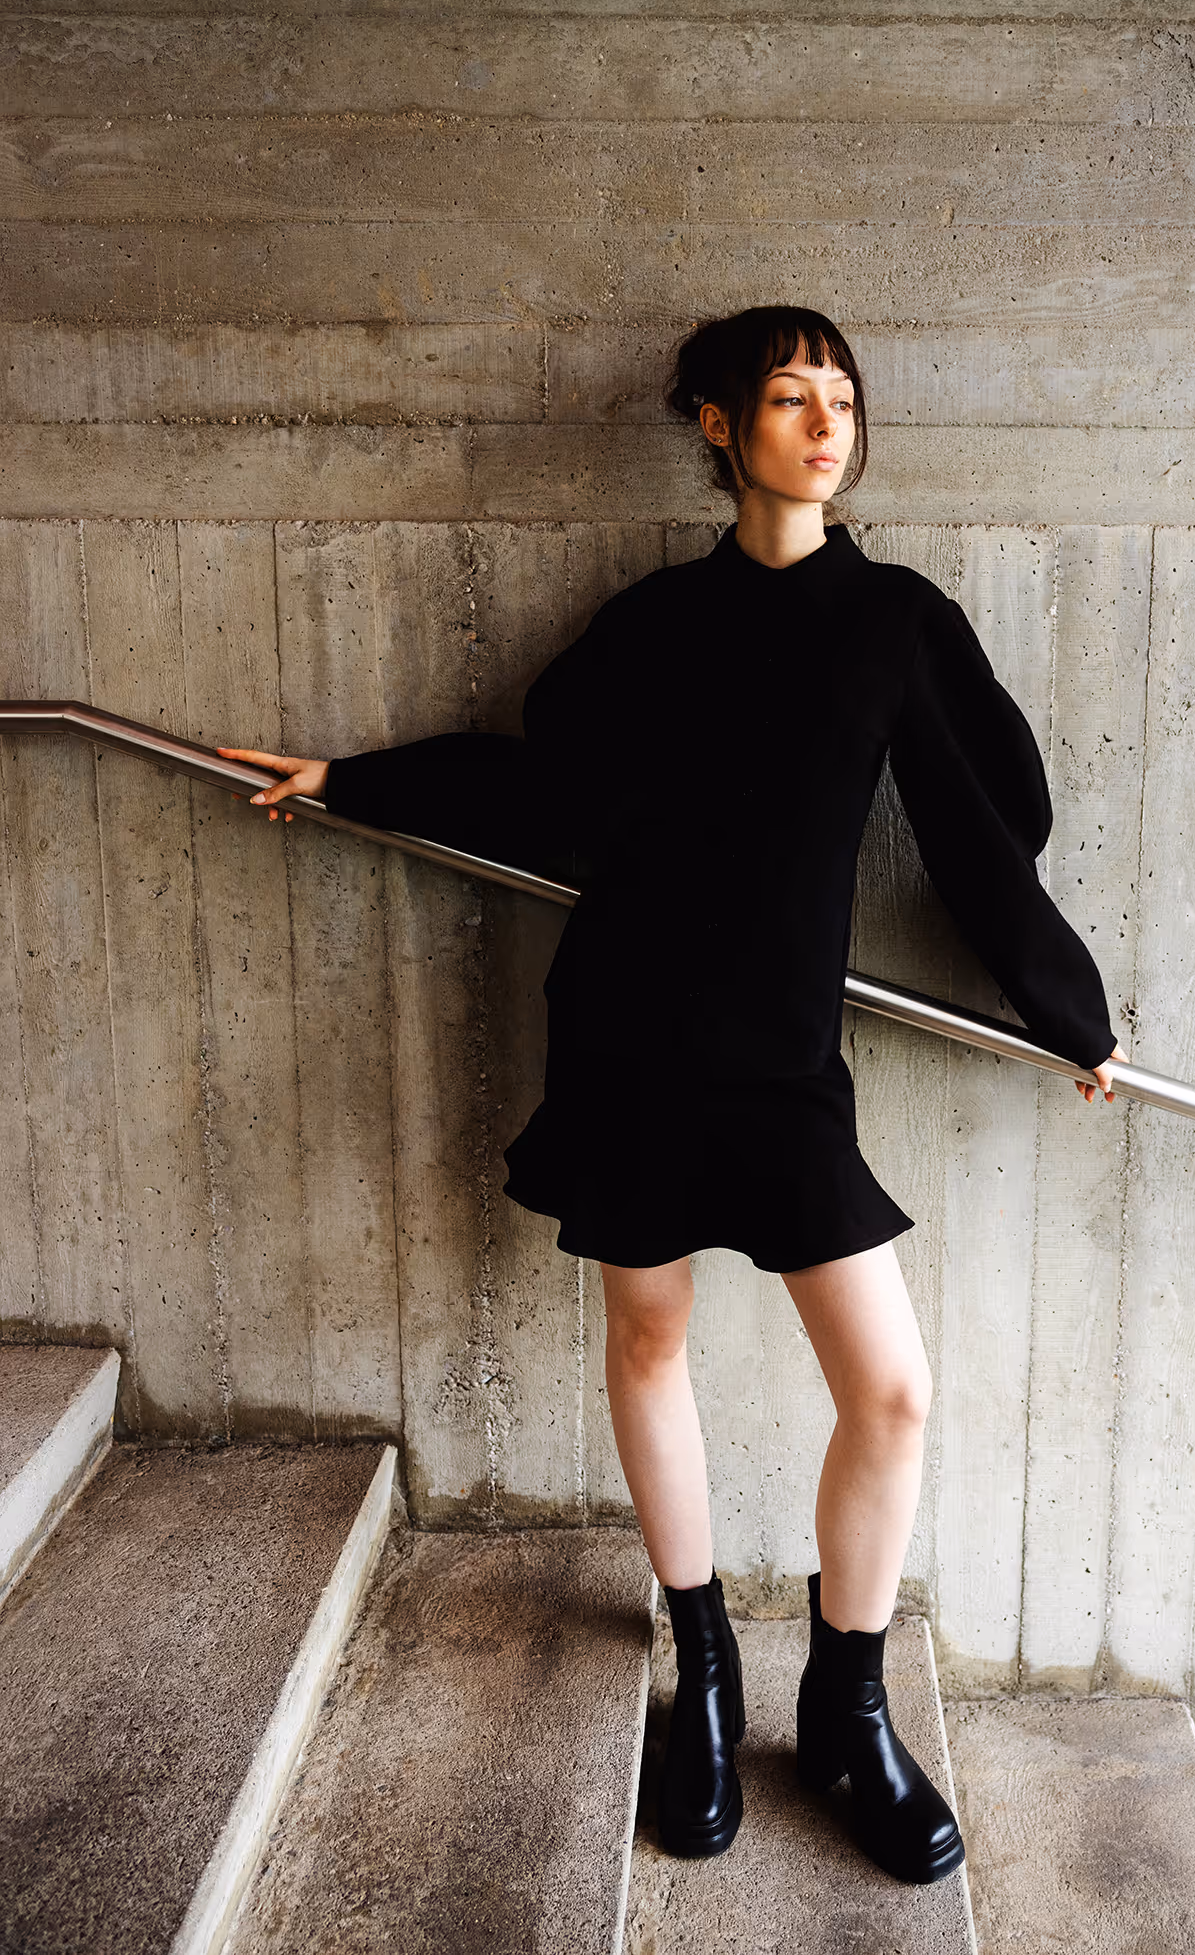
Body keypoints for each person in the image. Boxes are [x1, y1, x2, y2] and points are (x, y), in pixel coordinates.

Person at [220, 305, 1125, 1887]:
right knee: (652, 1338)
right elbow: (538, 783)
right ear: (718, 424)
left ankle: (845, 1705)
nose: (823, 422)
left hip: (784, 1067)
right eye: (789, 396)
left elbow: (986, 834)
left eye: (841, 398)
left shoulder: (896, 621)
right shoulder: (649, 626)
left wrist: (1064, 1007)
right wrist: (353, 778)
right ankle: (700, 1663)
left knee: (893, 1390)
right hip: (630, 1027)